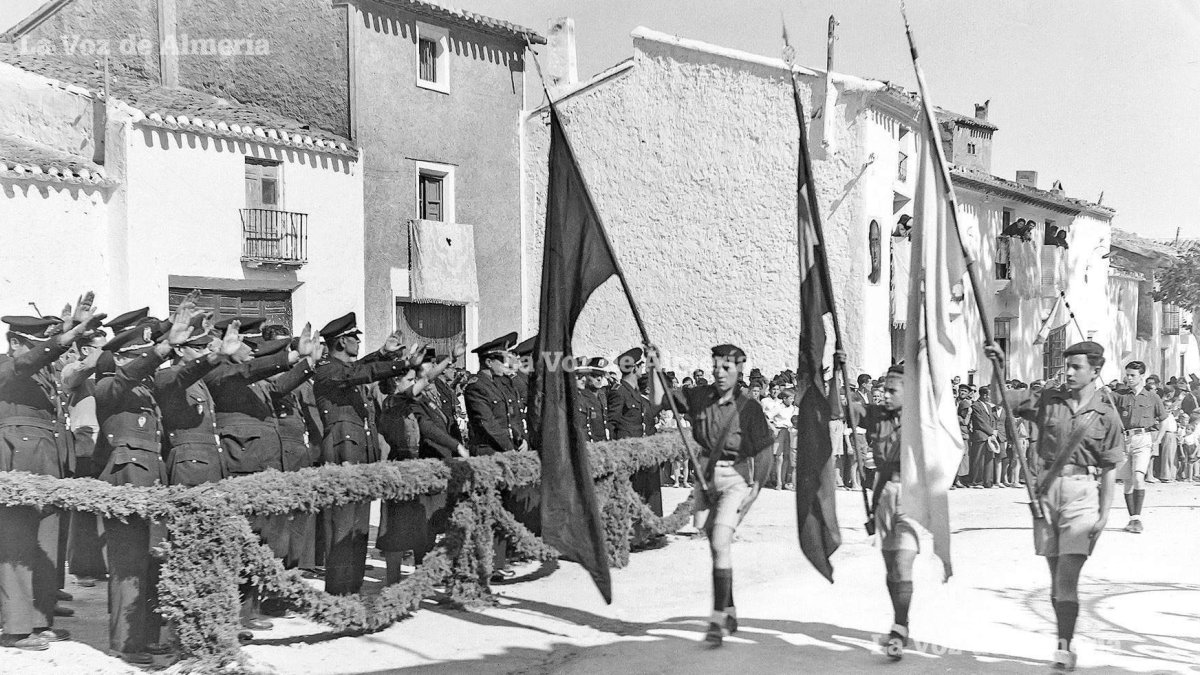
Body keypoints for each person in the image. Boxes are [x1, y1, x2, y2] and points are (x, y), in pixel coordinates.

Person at [997, 341, 1123, 672]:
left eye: (1076, 367)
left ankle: (1063, 648)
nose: (1067, 372)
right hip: (1046, 492)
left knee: (1067, 576)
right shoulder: (1048, 400)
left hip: (1082, 495)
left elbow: (1110, 469)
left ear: (1095, 371)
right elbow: (1005, 400)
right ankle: (1063, 638)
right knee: (1054, 578)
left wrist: (1105, 513)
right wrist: (999, 365)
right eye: (1065, 366)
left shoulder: (1107, 415)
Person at [647, 344, 773, 646]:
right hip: (705, 477)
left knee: (719, 540)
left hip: (736, 478)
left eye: (726, 368)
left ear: (738, 370)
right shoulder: (699, 396)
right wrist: (653, 367)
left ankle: (716, 619)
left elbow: (765, 449)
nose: (719, 372)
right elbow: (657, 401)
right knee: (716, 546)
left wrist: (756, 488)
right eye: (716, 366)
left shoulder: (749, 407)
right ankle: (729, 608)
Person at [94, 303, 197, 664]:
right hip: (125, 486)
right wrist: (161, 351)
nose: (149, 366)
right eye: (141, 357)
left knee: (152, 564)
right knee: (127, 567)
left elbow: (178, 378)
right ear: (123, 358)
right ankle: (125, 644)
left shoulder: (146, 392)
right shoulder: (108, 386)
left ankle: (148, 636)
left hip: (152, 485)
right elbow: (127, 378)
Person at [1, 300, 100, 652]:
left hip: (49, 464)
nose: (43, 350)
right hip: (19, 464)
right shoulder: (8, 365)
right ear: (15, 342)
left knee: (45, 546)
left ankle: (39, 620)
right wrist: (60, 340)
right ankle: (14, 627)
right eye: (34, 342)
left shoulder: (46, 375)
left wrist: (73, 333)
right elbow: (30, 361)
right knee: (16, 546)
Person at [312, 313, 413, 595]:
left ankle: (352, 590)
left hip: (361, 457)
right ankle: (338, 593)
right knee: (342, 528)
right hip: (343, 456)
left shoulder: (343, 370)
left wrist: (382, 353)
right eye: (354, 337)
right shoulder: (326, 369)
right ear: (342, 341)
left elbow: (359, 368)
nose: (358, 341)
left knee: (358, 531)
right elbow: (358, 372)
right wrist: (400, 364)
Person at [846, 364, 918, 659]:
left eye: (892, 390)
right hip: (884, 495)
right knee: (891, 568)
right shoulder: (876, 415)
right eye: (883, 389)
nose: (885, 395)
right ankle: (902, 618)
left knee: (902, 563)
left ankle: (899, 627)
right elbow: (843, 410)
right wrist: (839, 375)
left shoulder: (921, 418)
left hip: (913, 497)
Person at [464, 333, 526, 579]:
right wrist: (510, 446)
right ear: (489, 362)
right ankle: (487, 564)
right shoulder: (476, 387)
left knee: (502, 507)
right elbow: (487, 423)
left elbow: (512, 416)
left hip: (505, 452)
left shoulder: (501, 384)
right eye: (502, 360)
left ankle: (498, 562)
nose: (507, 365)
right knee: (489, 510)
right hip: (488, 454)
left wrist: (521, 439)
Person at [1112, 361, 1166, 534]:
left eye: (1132, 375)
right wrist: (1105, 392)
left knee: (1138, 476)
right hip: (1124, 440)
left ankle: (1138, 518)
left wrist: (1158, 440)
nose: (1128, 378)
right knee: (1127, 481)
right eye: (1127, 374)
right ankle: (1132, 519)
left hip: (1143, 439)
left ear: (1142, 376)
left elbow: (1164, 419)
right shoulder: (1120, 395)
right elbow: (1102, 399)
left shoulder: (1152, 397)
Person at [970, 387, 999, 488]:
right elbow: (979, 421)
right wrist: (991, 431)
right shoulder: (975, 405)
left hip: (990, 436)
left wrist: (994, 431)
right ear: (984, 395)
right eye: (990, 395)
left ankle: (988, 482)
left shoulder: (988, 406)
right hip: (981, 435)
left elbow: (993, 420)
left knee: (989, 459)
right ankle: (977, 481)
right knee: (979, 459)